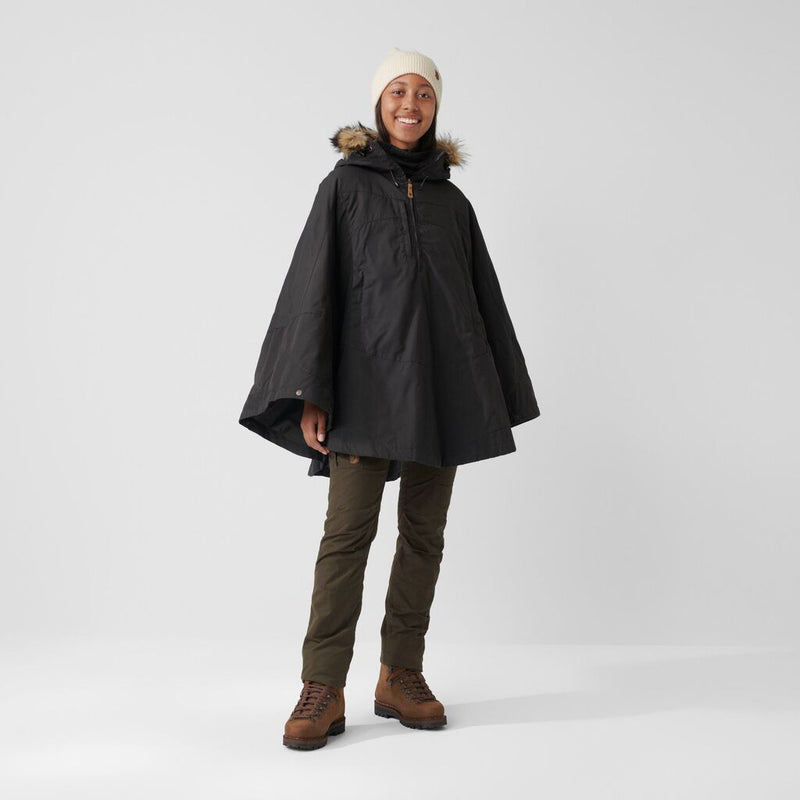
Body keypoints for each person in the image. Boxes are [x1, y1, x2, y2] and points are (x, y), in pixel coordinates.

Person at [238, 47, 541, 750]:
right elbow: (312, 290)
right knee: (347, 536)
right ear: (379, 103)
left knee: (424, 535)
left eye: (424, 94)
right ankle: (323, 686)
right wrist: (311, 390)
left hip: (441, 389)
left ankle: (400, 674)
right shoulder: (343, 189)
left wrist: (486, 390)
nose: (411, 104)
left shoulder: (452, 204)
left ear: (436, 107)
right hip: (362, 390)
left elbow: (479, 303)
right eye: (398, 91)